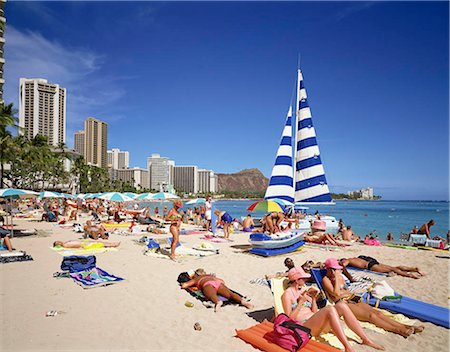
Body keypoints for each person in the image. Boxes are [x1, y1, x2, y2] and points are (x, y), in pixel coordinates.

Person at [281, 267, 384, 352]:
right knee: (330, 309)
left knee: (342, 305)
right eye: (303, 278)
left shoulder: (303, 290)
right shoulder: (287, 295)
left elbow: (314, 311)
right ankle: (348, 347)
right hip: (303, 327)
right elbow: (289, 319)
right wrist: (301, 303)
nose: (306, 280)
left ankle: (366, 339)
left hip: (316, 323)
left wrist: (312, 299)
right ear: (296, 280)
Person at [322, 258, 424, 338]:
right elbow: (336, 294)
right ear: (331, 270)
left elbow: (346, 291)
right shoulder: (326, 280)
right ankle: (399, 330)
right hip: (343, 303)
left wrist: (342, 287)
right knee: (371, 316)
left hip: (352, 298)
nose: (339, 271)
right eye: (336, 269)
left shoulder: (340, 277)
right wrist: (336, 280)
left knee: (378, 313)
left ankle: (406, 326)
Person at [180, 268, 254, 312]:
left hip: (207, 284)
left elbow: (185, 285)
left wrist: (183, 284)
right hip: (218, 283)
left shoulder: (197, 278)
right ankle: (243, 302)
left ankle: (218, 302)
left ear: (197, 275)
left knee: (211, 294)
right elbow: (222, 281)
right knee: (230, 294)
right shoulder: (210, 276)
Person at [339, 256, 425, 279]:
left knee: (392, 269)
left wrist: (341, 265)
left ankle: (409, 275)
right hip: (372, 262)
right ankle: (413, 269)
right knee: (393, 267)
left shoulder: (348, 260)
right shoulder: (354, 258)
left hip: (370, 266)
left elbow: (343, 265)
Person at [53, 240, 120, 248]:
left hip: (83, 243)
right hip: (84, 245)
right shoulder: (66, 245)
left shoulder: (65, 243)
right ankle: (113, 244)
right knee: (100, 243)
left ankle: (113, 244)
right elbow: (77, 245)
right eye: (58, 243)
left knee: (100, 242)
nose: (59, 241)